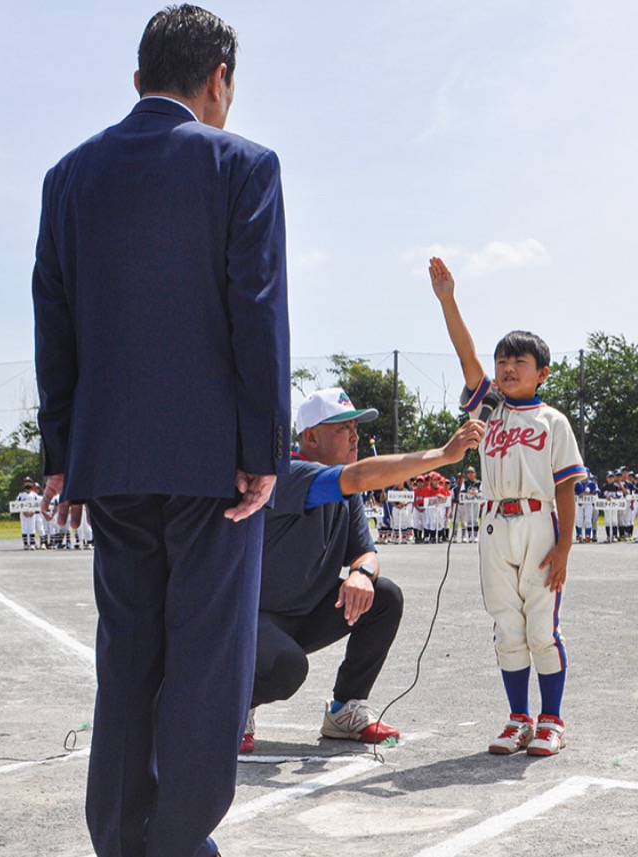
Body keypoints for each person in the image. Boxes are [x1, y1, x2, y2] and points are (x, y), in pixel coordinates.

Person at [32, 7, 289, 856]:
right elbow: (255, 310)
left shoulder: (69, 176)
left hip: (111, 460)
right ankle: (180, 843)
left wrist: (63, 456)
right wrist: (262, 451)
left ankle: (119, 838)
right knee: (206, 665)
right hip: (212, 462)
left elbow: (55, 319)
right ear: (218, 79)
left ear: (138, 80)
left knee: (128, 656)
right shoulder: (243, 165)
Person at [244, 388, 483, 752]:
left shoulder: (345, 491)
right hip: (254, 621)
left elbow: (366, 552)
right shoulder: (286, 473)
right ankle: (231, 708)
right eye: (343, 428)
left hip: (304, 614)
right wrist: (442, 455)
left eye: (356, 426)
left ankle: (345, 709)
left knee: (384, 596)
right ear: (311, 437)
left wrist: (362, 573)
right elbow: (358, 478)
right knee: (287, 668)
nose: (355, 435)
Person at [430, 256, 585, 757]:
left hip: (540, 523)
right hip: (494, 522)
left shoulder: (552, 420)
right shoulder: (488, 409)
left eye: (520, 363)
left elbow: (566, 487)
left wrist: (564, 547)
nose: (507, 369)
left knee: (543, 626)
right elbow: (464, 354)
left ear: (542, 372)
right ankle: (518, 717)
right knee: (507, 625)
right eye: (503, 362)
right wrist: (448, 299)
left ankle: (552, 719)